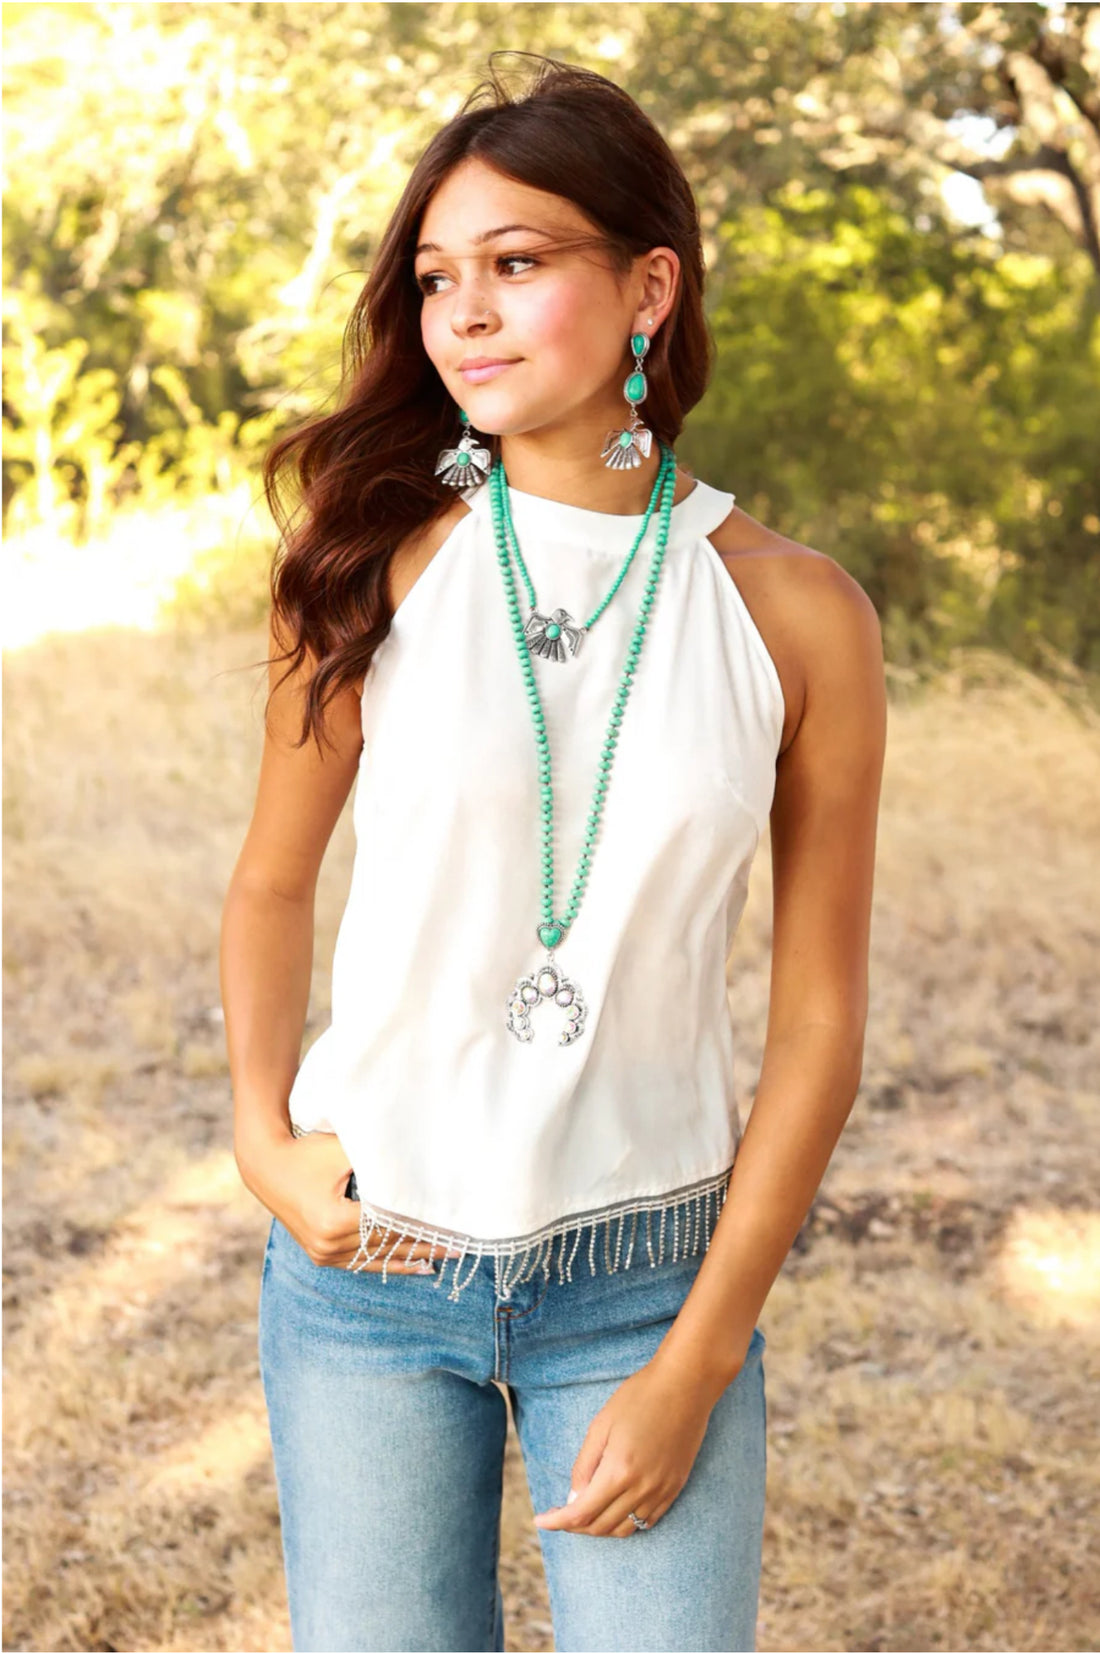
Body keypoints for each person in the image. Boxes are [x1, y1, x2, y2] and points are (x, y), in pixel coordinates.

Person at [220, 50, 886, 1654]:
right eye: (440, 277)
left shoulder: (798, 614)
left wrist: (701, 1354)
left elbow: (817, 1028)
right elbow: (267, 879)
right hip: (369, 1261)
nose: (465, 313)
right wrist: (260, 1132)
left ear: (648, 283)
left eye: (519, 265)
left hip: (650, 1277)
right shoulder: (376, 567)